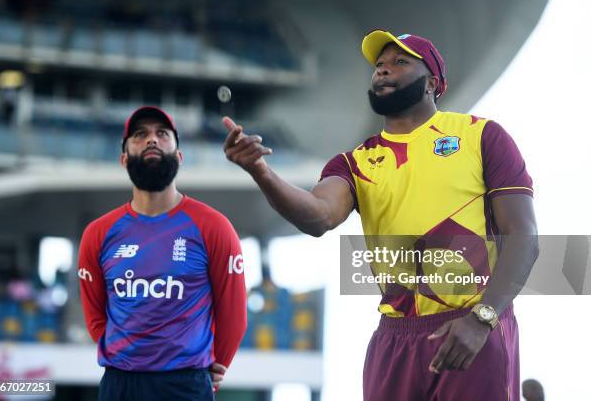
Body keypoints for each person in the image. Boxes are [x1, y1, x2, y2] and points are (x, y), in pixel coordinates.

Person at [222, 31, 538, 401]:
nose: (383, 71)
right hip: (394, 337)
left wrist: (483, 317)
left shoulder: (481, 136)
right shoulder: (354, 162)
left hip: (471, 323)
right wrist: (260, 170)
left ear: (432, 84)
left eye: (399, 62)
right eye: (379, 66)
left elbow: (523, 236)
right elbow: (318, 216)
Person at [78, 106, 247, 401]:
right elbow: (95, 316)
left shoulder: (213, 226)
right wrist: (129, 355)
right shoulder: (98, 233)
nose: (152, 140)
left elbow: (233, 313)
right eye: (140, 135)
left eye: (162, 134)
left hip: (185, 383)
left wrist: (217, 365)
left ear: (179, 157)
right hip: (120, 384)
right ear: (124, 159)